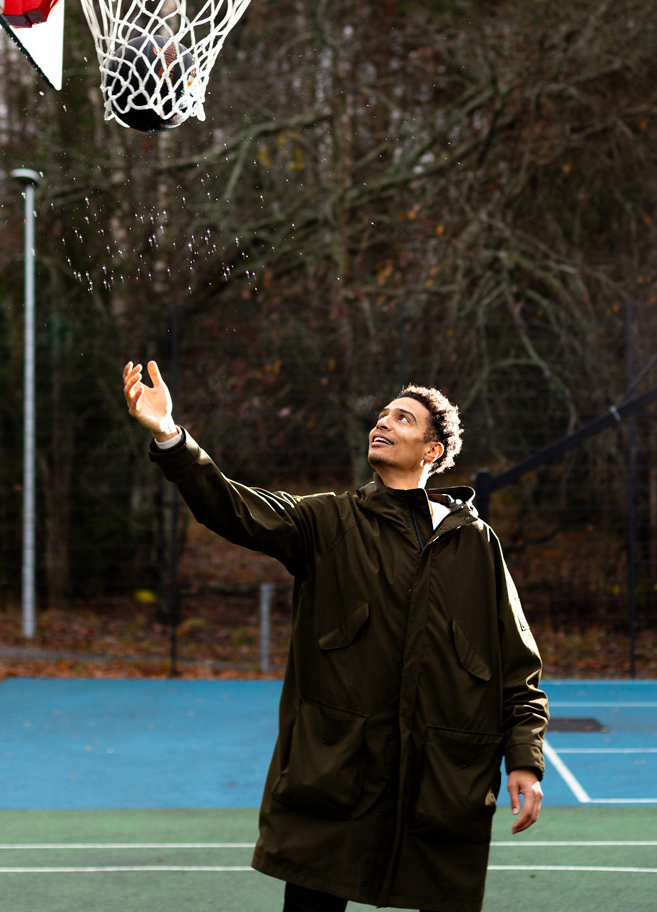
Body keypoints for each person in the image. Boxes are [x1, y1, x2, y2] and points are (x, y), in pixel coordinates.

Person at [123, 360, 548, 912]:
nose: (383, 422)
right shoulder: (327, 521)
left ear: (433, 450)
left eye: (403, 418)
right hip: (334, 780)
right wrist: (170, 436)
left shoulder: (477, 544)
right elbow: (232, 507)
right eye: (381, 415)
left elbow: (517, 666)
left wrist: (524, 759)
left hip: (442, 786)